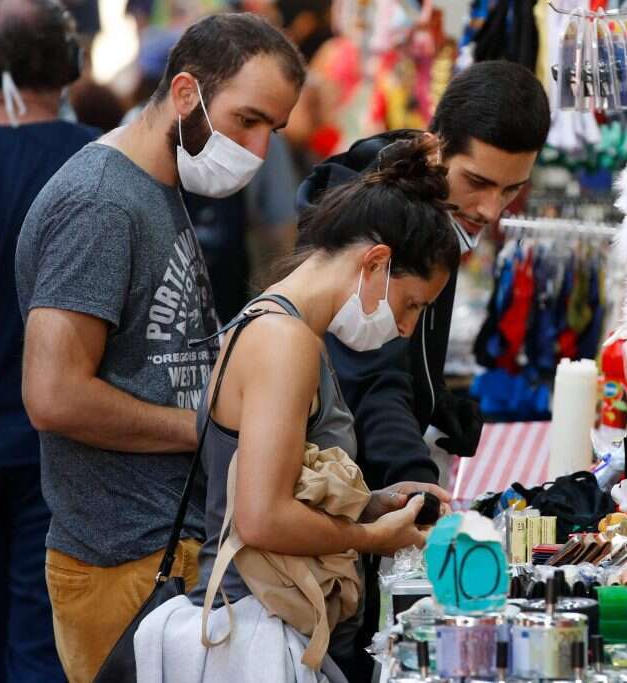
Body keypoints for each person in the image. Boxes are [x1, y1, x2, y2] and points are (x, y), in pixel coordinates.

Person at [14, 13, 306, 682]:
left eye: (273, 129)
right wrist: (204, 428)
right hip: (125, 562)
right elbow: (53, 395)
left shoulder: (155, 186)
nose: (258, 149)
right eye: (247, 120)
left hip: (165, 554)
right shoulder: (101, 203)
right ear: (184, 93)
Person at [134, 135, 455, 682]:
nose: (406, 328)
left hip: (260, 622)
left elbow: (273, 483)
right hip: (255, 630)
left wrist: (370, 504)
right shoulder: (285, 342)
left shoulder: (277, 326)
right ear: (376, 262)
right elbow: (261, 517)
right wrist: (369, 538)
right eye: (411, 305)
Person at [298, 61, 550, 678]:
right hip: (332, 509)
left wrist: (436, 402)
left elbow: (400, 355)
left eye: (511, 190)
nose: (491, 208)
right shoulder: (381, 220)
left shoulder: (439, 207)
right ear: (437, 147)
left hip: (369, 492)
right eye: (479, 181)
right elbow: (371, 374)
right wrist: (417, 487)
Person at [0, 1, 96, 680]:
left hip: (47, 443)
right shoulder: (100, 161)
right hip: (65, 449)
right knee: (44, 649)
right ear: (66, 63)